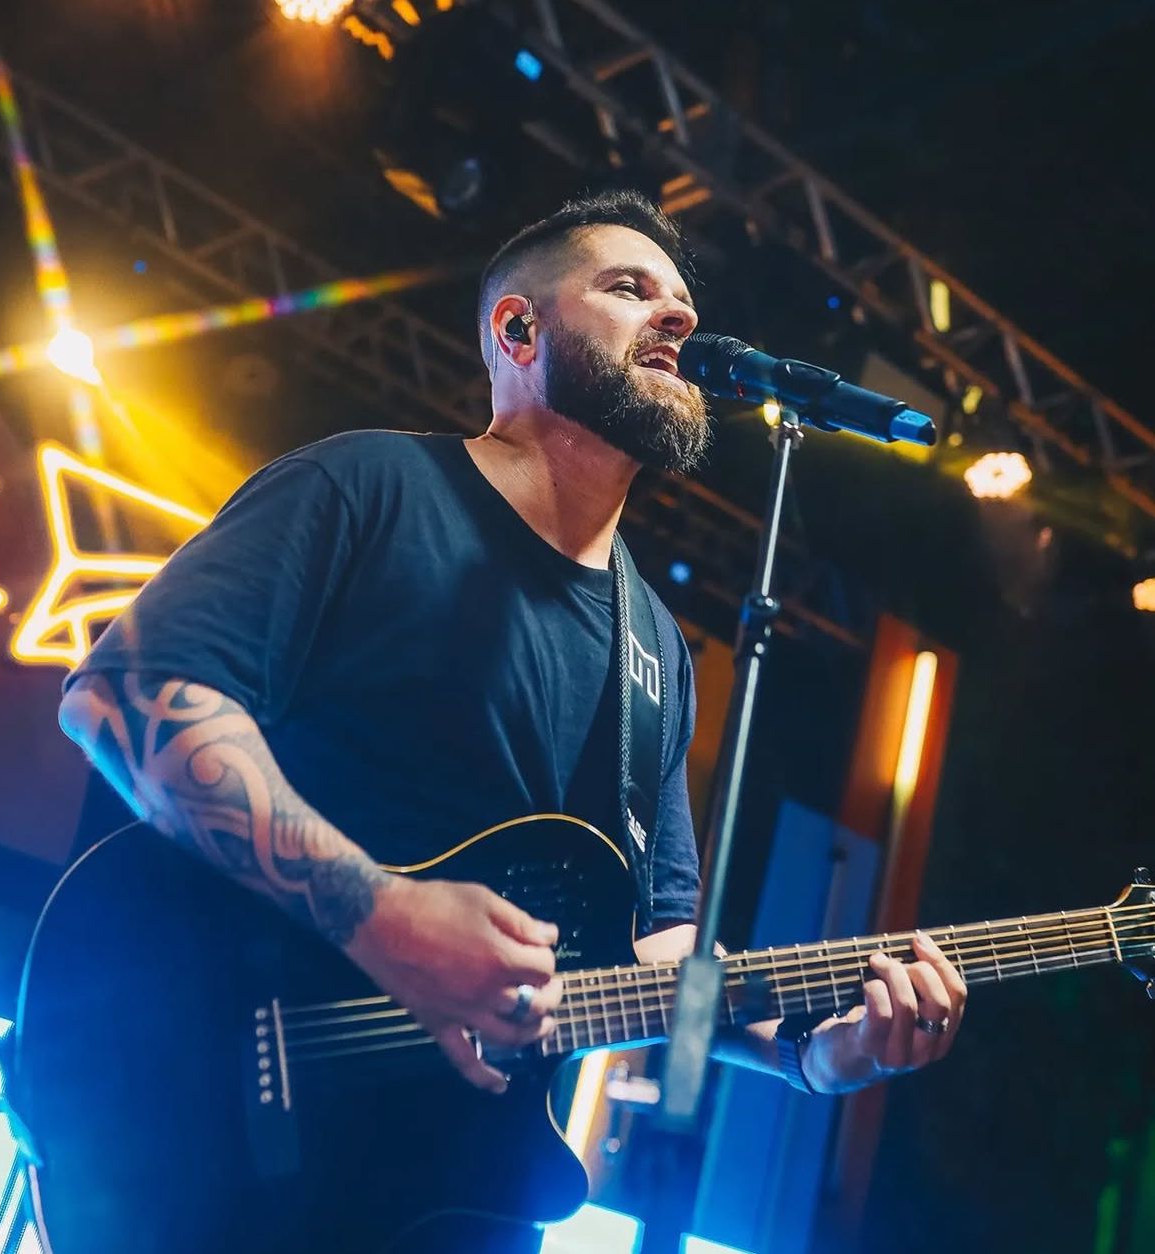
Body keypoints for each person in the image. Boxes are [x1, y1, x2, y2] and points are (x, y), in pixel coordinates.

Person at [56, 189, 966, 1251]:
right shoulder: (371, 486)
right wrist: (380, 916)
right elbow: (125, 691)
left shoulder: (656, 647)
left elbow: (658, 945)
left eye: (681, 302)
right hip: (212, 1120)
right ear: (518, 329)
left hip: (459, 1189)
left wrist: (820, 1053)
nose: (677, 318)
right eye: (630, 289)